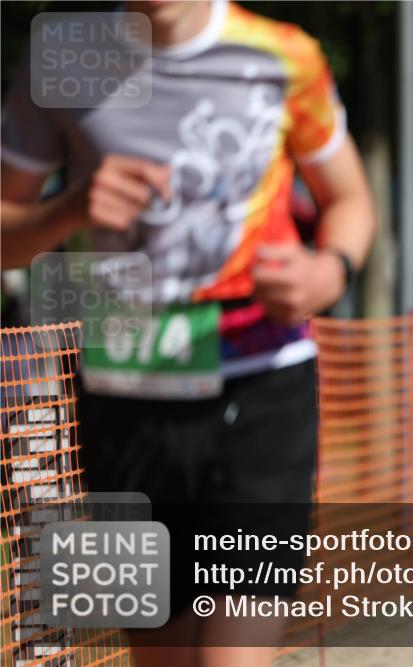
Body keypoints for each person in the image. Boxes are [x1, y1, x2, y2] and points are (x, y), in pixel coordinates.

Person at [1, 2, 376, 666]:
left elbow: (348, 197)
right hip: (122, 383)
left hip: (263, 381)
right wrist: (70, 208)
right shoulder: (59, 54)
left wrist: (329, 269)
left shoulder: (286, 56)